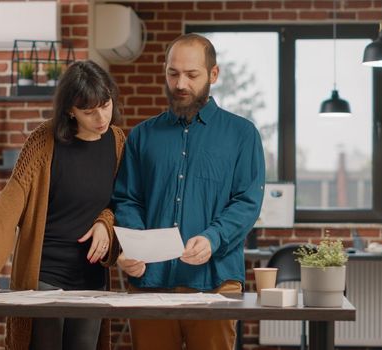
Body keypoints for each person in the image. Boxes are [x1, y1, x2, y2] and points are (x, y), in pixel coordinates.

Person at [0, 60, 125, 350]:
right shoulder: (44, 141)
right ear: (70, 109)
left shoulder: (117, 141)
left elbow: (121, 200)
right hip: (44, 275)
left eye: (105, 105)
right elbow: (10, 202)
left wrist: (105, 223)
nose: (101, 117)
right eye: (89, 111)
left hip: (90, 278)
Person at [112, 33, 266, 350]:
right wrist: (135, 245)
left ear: (213, 74)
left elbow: (247, 202)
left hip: (216, 282)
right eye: (173, 73)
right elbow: (127, 199)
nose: (180, 83)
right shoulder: (141, 136)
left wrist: (213, 237)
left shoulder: (242, 134)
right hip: (149, 283)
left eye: (192, 75)